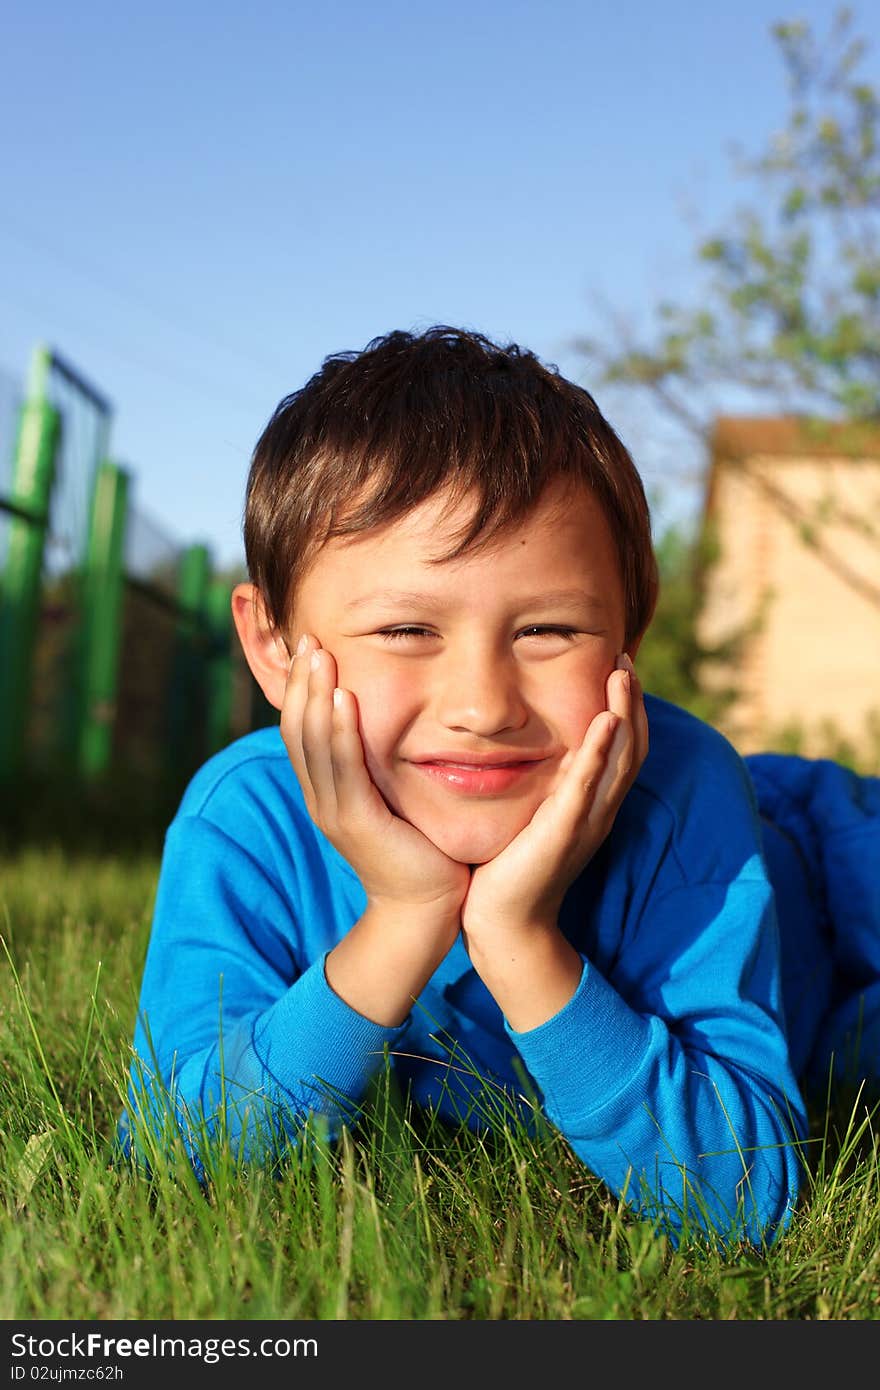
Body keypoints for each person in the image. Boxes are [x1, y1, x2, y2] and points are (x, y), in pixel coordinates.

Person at [121, 325, 880, 1246]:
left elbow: (744, 1199)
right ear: (276, 647)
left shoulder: (682, 800)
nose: (482, 706)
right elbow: (169, 1158)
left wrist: (519, 938)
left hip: (825, 871)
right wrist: (404, 919)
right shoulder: (245, 820)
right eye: (405, 631)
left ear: (627, 640)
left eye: (548, 631)